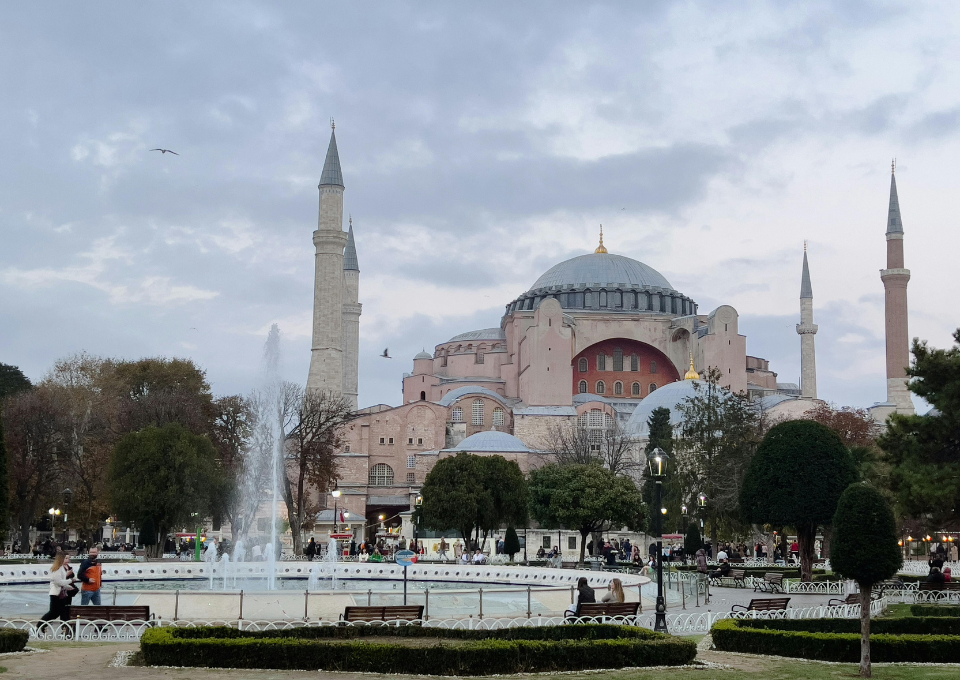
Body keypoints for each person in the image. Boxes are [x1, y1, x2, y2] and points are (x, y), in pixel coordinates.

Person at [41, 551, 78, 625]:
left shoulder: (61, 568)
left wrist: (69, 587)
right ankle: (39, 626)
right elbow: (59, 582)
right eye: (65, 558)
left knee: (59, 612)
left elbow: (62, 582)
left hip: (60, 593)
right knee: (53, 613)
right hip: (56, 594)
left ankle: (43, 626)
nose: (67, 560)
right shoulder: (57, 568)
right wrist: (70, 580)